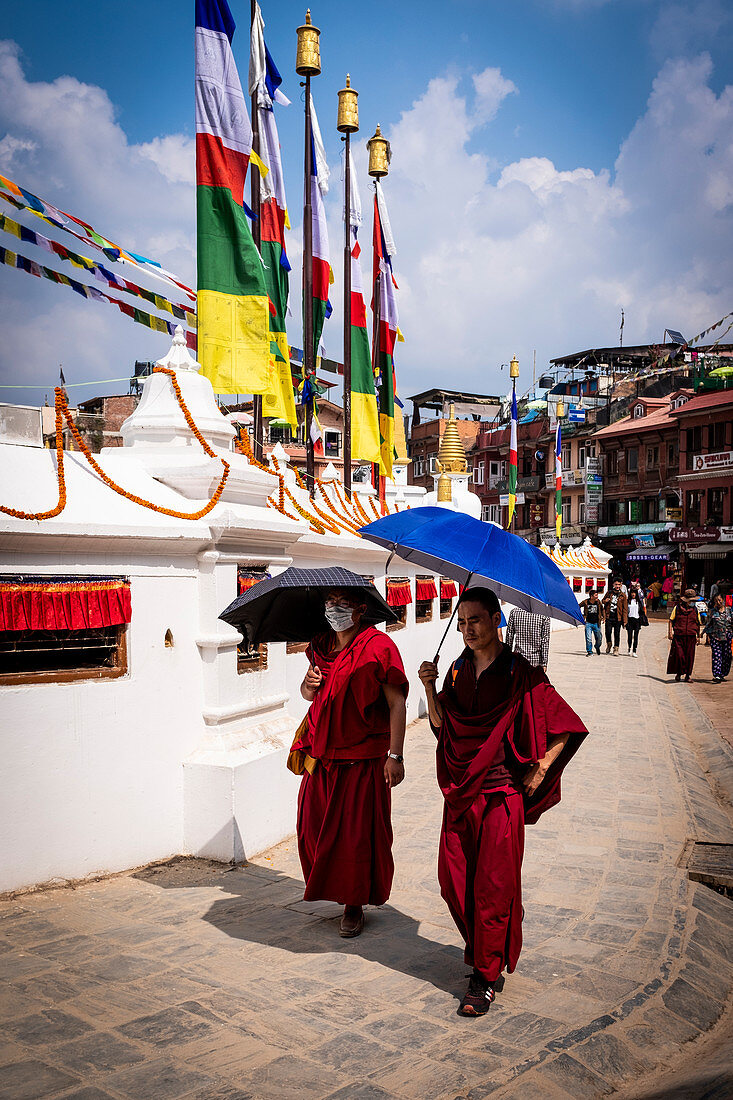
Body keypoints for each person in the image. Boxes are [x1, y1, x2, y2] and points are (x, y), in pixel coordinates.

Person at [418, 587, 587, 1018]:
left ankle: (484, 977)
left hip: (500, 795)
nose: (467, 629)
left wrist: (543, 766)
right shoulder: (455, 671)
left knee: (493, 886)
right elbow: (443, 728)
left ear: (496, 620)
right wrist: (429, 684)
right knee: (452, 880)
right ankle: (485, 945)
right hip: (461, 792)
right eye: (462, 622)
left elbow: (565, 723)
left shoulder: (520, 672)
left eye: (475, 620)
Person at [294, 587, 408, 937]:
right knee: (311, 827)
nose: (334, 609)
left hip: (362, 759)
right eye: (329, 602)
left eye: (342, 603)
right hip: (322, 754)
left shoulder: (378, 647)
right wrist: (308, 685)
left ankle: (353, 904)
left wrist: (396, 755)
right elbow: (310, 695)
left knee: (355, 838)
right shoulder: (321, 646)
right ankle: (331, 886)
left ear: (360, 609)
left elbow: (397, 704)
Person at [667, 588, 702, 683]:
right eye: (691, 601)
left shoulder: (695, 610)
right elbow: (671, 620)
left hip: (691, 636)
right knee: (679, 655)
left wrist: (698, 636)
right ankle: (678, 673)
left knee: (690, 656)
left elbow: (698, 623)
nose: (692, 602)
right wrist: (670, 632)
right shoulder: (677, 608)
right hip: (679, 635)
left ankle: (687, 675)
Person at [703, 594, 733, 683]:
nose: (718, 602)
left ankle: (722, 674)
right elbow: (709, 624)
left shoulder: (729, 611)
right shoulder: (712, 612)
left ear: (723, 600)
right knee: (717, 656)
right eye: (716, 601)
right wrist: (707, 636)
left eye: (720, 600)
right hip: (715, 637)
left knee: (727, 656)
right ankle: (716, 675)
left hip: (727, 637)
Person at [602, 578, 628, 655]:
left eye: (619, 585)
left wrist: (625, 620)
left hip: (618, 617)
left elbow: (625, 609)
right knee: (608, 632)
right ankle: (609, 644)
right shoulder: (609, 593)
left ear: (621, 585)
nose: (617, 586)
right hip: (609, 616)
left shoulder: (623, 596)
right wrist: (605, 601)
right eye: (616, 584)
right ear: (613, 585)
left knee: (617, 634)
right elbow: (602, 601)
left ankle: (616, 648)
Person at [579, 589, 604, 656]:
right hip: (588, 623)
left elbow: (602, 609)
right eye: (596, 595)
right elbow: (578, 606)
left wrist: (603, 618)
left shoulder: (598, 602)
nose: (597, 597)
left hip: (597, 623)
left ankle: (597, 646)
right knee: (588, 638)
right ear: (591, 596)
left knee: (599, 638)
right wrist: (582, 616)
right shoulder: (586, 602)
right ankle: (589, 651)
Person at [626, 580, 647, 658]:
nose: (633, 594)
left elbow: (642, 611)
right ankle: (629, 648)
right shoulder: (628, 601)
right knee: (629, 635)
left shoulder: (638, 602)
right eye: (632, 593)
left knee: (636, 636)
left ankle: (634, 650)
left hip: (637, 620)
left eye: (634, 593)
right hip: (630, 620)